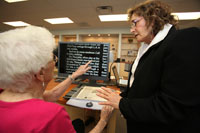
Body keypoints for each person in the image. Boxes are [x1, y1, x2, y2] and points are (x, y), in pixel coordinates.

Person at [96, 0, 200, 133]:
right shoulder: (147, 49)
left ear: (153, 18)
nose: (131, 29)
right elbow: (142, 88)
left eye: (135, 23)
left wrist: (122, 104)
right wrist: (120, 96)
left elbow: (172, 106)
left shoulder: (184, 39)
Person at [0, 25, 113, 133]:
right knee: (78, 123)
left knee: (78, 123)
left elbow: (51, 95)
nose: (56, 61)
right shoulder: (52, 115)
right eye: (53, 58)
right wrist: (103, 121)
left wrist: (73, 75)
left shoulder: (5, 94)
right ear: (40, 72)